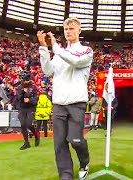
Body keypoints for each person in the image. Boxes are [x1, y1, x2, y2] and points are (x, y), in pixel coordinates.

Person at [37, 17, 93, 180]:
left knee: (75, 140)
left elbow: (75, 61)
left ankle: (84, 161)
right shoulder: (59, 53)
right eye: (66, 29)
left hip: (76, 103)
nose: (68, 31)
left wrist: (55, 46)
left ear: (79, 30)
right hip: (59, 104)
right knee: (60, 143)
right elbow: (48, 70)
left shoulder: (86, 51)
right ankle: (66, 175)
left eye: (72, 28)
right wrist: (43, 48)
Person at [15, 74, 40, 150]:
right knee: (23, 124)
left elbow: (36, 98)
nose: (25, 82)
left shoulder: (33, 87)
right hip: (22, 108)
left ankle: (36, 135)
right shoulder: (20, 88)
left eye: (27, 80)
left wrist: (30, 100)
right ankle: (26, 142)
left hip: (30, 108)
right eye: (24, 80)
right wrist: (23, 92)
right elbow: (18, 97)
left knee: (29, 123)